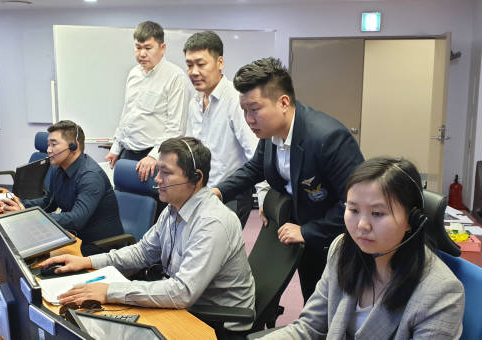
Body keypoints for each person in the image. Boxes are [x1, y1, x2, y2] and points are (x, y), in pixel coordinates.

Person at [41, 137, 256, 336]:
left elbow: (182, 292)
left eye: (166, 172)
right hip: (187, 306)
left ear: (196, 178)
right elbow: (142, 252)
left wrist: (109, 291)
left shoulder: (212, 223)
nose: (157, 179)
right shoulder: (173, 209)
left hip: (217, 324)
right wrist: (86, 261)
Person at [257, 157, 465, 339]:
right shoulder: (341, 250)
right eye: (353, 209)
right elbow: (309, 327)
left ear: (411, 220)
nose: (361, 225)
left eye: (377, 214)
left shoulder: (440, 292)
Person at [213, 57, 364, 301]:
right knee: (313, 304)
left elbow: (356, 206)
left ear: (283, 103)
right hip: (303, 231)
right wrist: (217, 192)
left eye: (254, 109)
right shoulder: (270, 132)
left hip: (335, 241)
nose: (248, 119)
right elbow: (255, 169)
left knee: (333, 310)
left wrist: (308, 231)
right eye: (244, 111)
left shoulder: (328, 138)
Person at [0, 120, 122, 256]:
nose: (48, 150)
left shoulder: (90, 177)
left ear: (74, 146)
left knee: (34, 260)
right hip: (73, 238)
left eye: (53, 145)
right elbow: (48, 202)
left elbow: (76, 220)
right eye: (48, 145)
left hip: (100, 247)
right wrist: (14, 204)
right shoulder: (58, 168)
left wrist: (28, 217)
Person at [183, 31, 264, 227]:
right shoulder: (195, 101)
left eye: (201, 64)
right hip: (200, 195)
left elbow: (255, 153)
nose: (194, 71)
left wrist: (264, 199)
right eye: (189, 64)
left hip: (230, 196)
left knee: (221, 255)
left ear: (220, 63)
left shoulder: (236, 100)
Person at [105, 21, 189, 182]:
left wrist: (154, 155)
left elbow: (176, 128)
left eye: (148, 48)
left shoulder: (175, 77)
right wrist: (116, 147)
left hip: (155, 155)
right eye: (138, 47)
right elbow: (127, 115)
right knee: (123, 200)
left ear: (162, 48)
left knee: (152, 205)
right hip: (128, 152)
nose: (142, 53)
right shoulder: (134, 73)